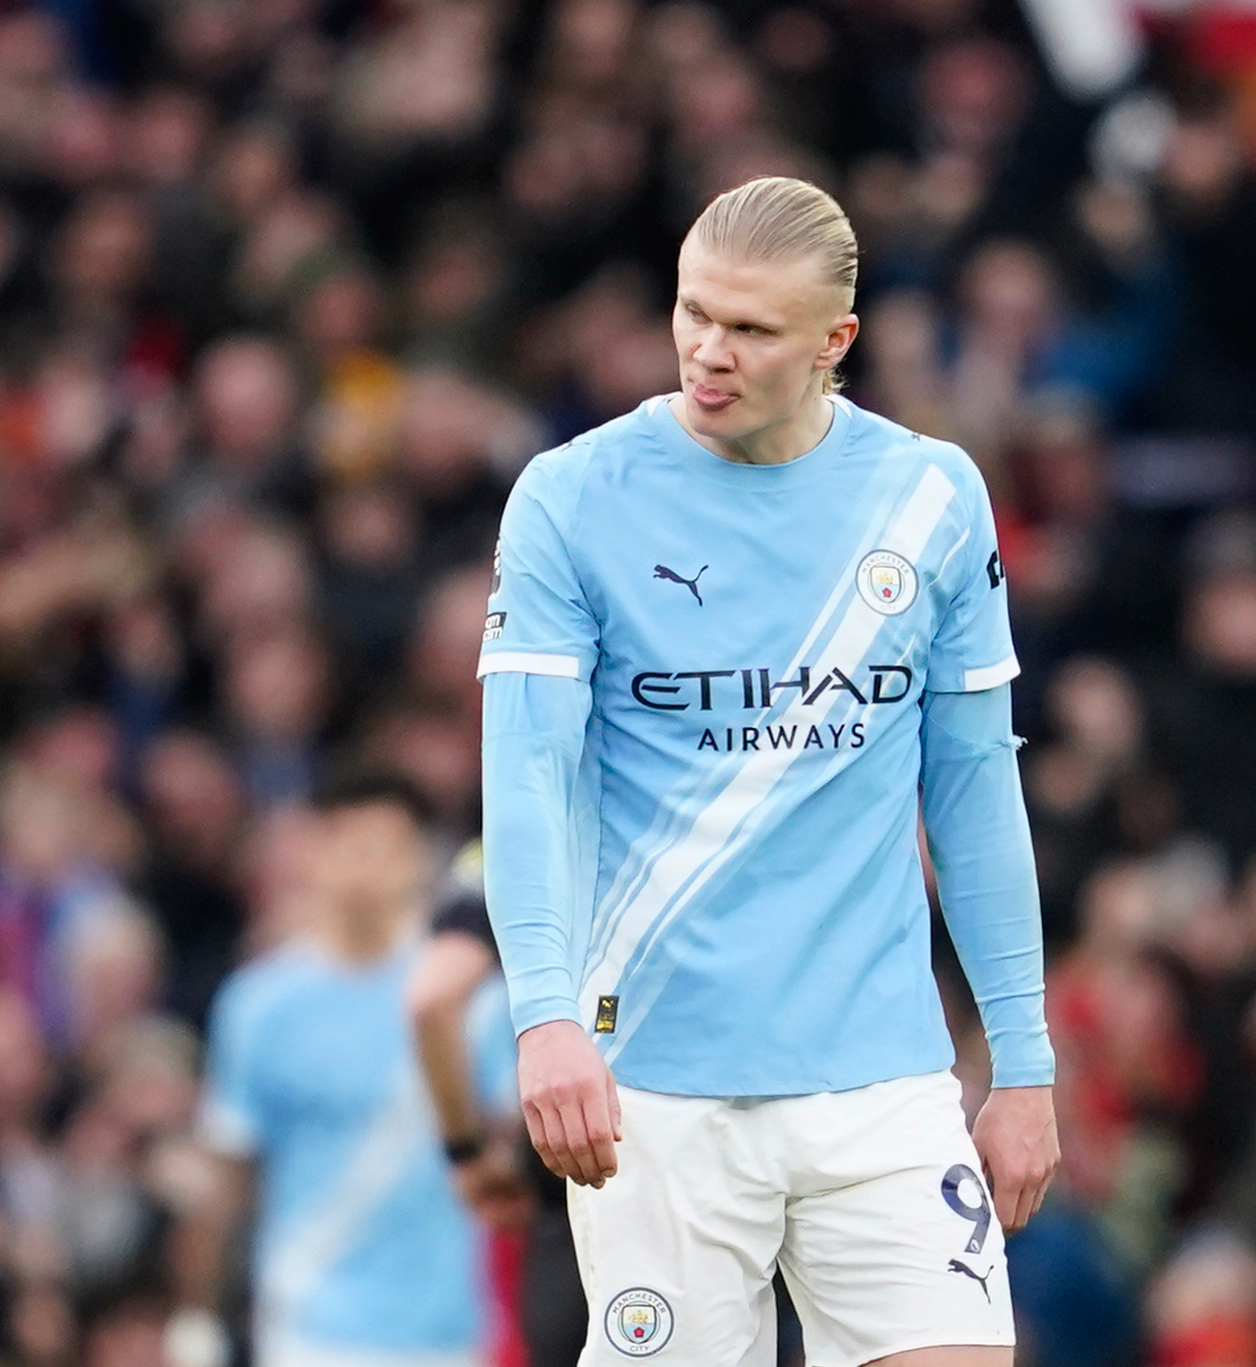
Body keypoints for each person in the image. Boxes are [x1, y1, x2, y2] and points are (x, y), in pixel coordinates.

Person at [477, 176, 1060, 1367]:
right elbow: (526, 771)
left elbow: (973, 787)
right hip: (660, 1087)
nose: (707, 351)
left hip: (882, 1079)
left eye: (750, 329)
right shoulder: (572, 496)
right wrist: (542, 1015)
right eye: (694, 313)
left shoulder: (930, 495)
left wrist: (1023, 1059)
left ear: (834, 341)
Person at [176, 774, 490, 1367]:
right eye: (348, 844)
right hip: (309, 1329)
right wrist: (198, 1315)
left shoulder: (463, 999)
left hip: (450, 1331)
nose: (365, 868)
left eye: (385, 848)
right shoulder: (258, 1006)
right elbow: (229, 1176)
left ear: (417, 863)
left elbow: (504, 1149)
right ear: (313, 854)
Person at [406, 840, 587, 1367]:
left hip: (575, 1168)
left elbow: (431, 1000)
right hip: (754, 1153)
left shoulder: (510, 843)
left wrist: (467, 1151)